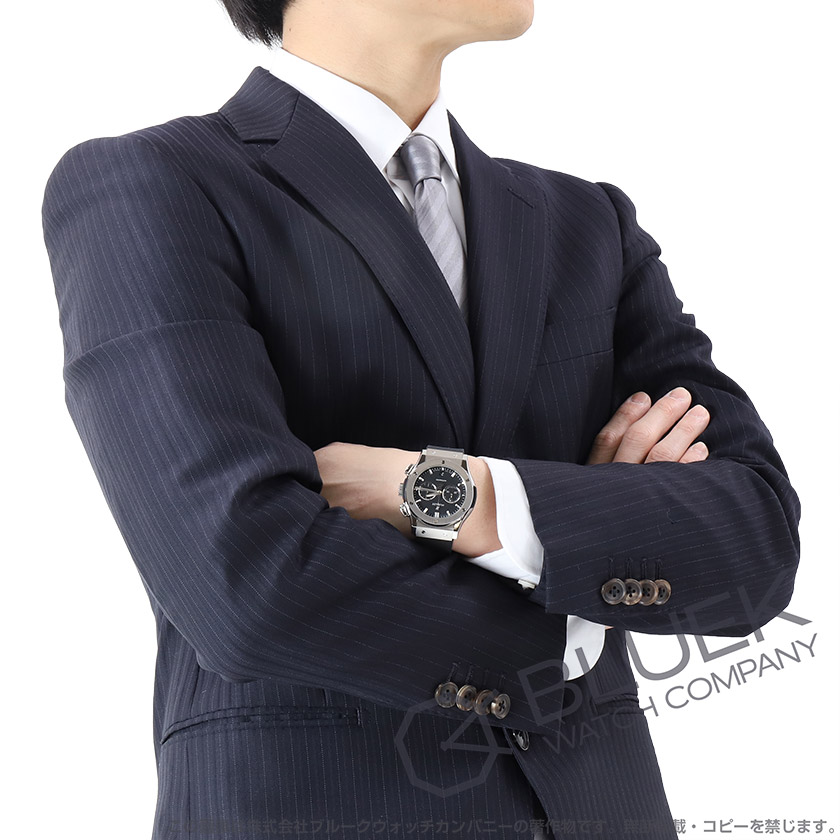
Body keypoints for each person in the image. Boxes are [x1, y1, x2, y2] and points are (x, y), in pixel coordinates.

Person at [40, 1, 801, 838]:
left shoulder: (587, 223)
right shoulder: (153, 183)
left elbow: (755, 541)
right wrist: (579, 581)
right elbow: (244, 585)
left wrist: (440, 491)